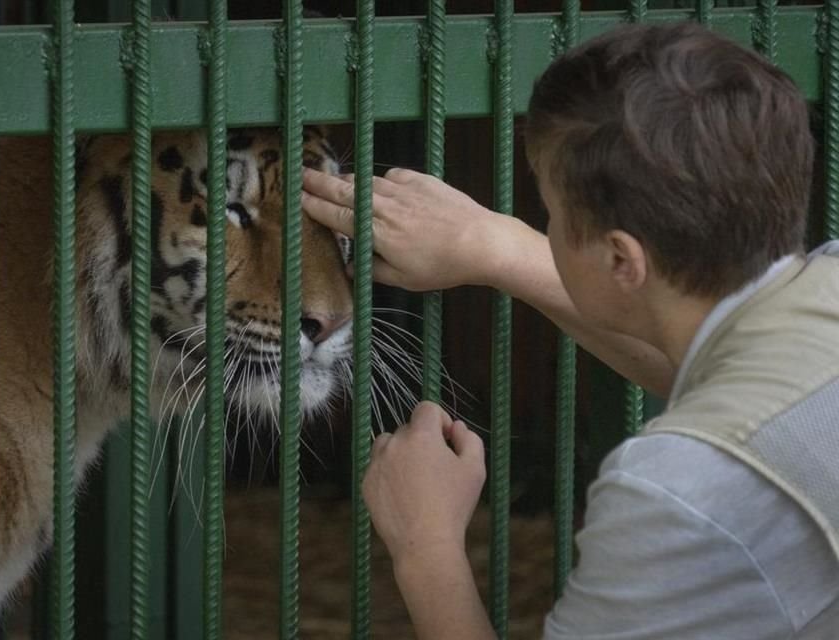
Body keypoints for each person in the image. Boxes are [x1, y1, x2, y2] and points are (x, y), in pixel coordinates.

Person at [300, 22, 839, 640]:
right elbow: (743, 384)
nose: (542, 231)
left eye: (549, 216)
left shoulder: (675, 490)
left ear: (620, 261)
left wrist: (426, 545)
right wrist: (490, 246)